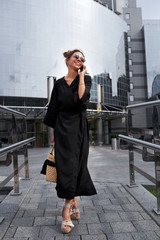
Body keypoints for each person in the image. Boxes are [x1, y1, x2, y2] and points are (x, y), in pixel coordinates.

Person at [43, 49, 97, 233]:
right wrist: (53, 133)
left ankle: (66, 210)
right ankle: (72, 203)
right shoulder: (58, 83)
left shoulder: (86, 80)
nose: (80, 60)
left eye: (82, 58)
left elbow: (82, 100)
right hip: (61, 128)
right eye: (76, 57)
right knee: (65, 168)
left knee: (76, 166)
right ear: (67, 60)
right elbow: (53, 109)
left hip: (79, 130)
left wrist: (82, 76)